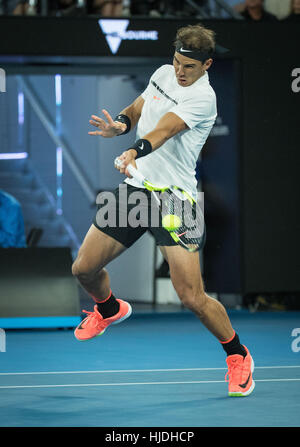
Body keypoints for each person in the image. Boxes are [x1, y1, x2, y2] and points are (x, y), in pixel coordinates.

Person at [72, 23, 255, 397]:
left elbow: (166, 130)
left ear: (206, 65)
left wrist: (132, 151)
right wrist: (121, 124)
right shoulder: (162, 74)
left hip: (176, 200)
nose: (179, 72)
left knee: (191, 296)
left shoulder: (204, 98)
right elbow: (140, 108)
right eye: (176, 62)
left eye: (188, 67)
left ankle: (238, 355)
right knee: (84, 268)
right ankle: (107, 309)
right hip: (137, 190)